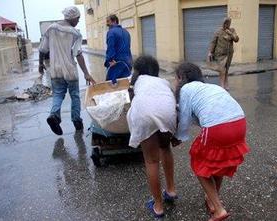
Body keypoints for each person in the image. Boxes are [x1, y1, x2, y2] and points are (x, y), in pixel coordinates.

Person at [174, 62, 250, 221]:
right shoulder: (211, 87)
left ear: (181, 78)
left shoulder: (186, 90)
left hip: (218, 128)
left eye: (176, 79)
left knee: (198, 163)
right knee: (218, 163)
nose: (175, 82)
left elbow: (185, 119)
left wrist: (178, 138)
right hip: (240, 122)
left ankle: (219, 209)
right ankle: (212, 199)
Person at [127, 56, 177, 219]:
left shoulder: (136, 81)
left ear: (138, 70)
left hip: (145, 114)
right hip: (168, 113)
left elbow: (134, 101)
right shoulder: (163, 82)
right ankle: (170, 190)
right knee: (165, 148)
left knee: (151, 160)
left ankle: (158, 206)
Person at [39, 6, 96, 135]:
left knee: (58, 94)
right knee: (75, 96)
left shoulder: (51, 29)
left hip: (55, 69)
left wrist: (40, 65)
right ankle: (77, 121)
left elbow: (42, 49)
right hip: (70, 70)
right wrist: (86, 73)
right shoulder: (75, 33)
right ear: (73, 17)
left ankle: (54, 115)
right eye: (78, 18)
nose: (78, 21)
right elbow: (78, 54)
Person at [208, 17, 239, 90]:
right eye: (226, 23)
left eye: (229, 23)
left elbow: (236, 39)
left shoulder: (232, 30)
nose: (227, 24)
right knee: (222, 69)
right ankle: (222, 85)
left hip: (229, 53)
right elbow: (213, 42)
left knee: (226, 69)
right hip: (220, 54)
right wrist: (210, 52)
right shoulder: (218, 31)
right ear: (223, 23)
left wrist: (231, 34)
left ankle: (226, 83)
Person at [104, 14, 132, 83]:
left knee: (113, 87)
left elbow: (111, 47)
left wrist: (110, 60)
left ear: (114, 21)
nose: (107, 24)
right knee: (125, 84)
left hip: (116, 63)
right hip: (128, 63)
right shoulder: (126, 32)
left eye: (108, 21)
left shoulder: (111, 32)